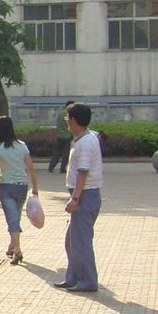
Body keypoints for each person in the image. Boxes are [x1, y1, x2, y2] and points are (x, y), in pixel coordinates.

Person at [54, 103, 102, 293]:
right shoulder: (85, 138)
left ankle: (88, 281)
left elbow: (83, 172)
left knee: (81, 241)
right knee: (71, 240)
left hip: (85, 195)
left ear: (73, 120)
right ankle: (73, 276)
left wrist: (75, 199)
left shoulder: (85, 142)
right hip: (84, 194)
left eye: (68, 118)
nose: (67, 121)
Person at [0, 115, 39, 266]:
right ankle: (12, 245)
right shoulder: (22, 145)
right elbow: (30, 167)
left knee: (12, 218)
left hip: (6, 186)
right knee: (15, 216)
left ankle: (17, 250)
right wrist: (35, 187)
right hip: (22, 186)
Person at [48, 100, 74, 173]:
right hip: (68, 136)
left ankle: (51, 167)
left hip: (59, 136)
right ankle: (62, 169)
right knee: (66, 154)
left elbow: (58, 124)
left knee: (56, 152)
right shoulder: (71, 115)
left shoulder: (60, 114)